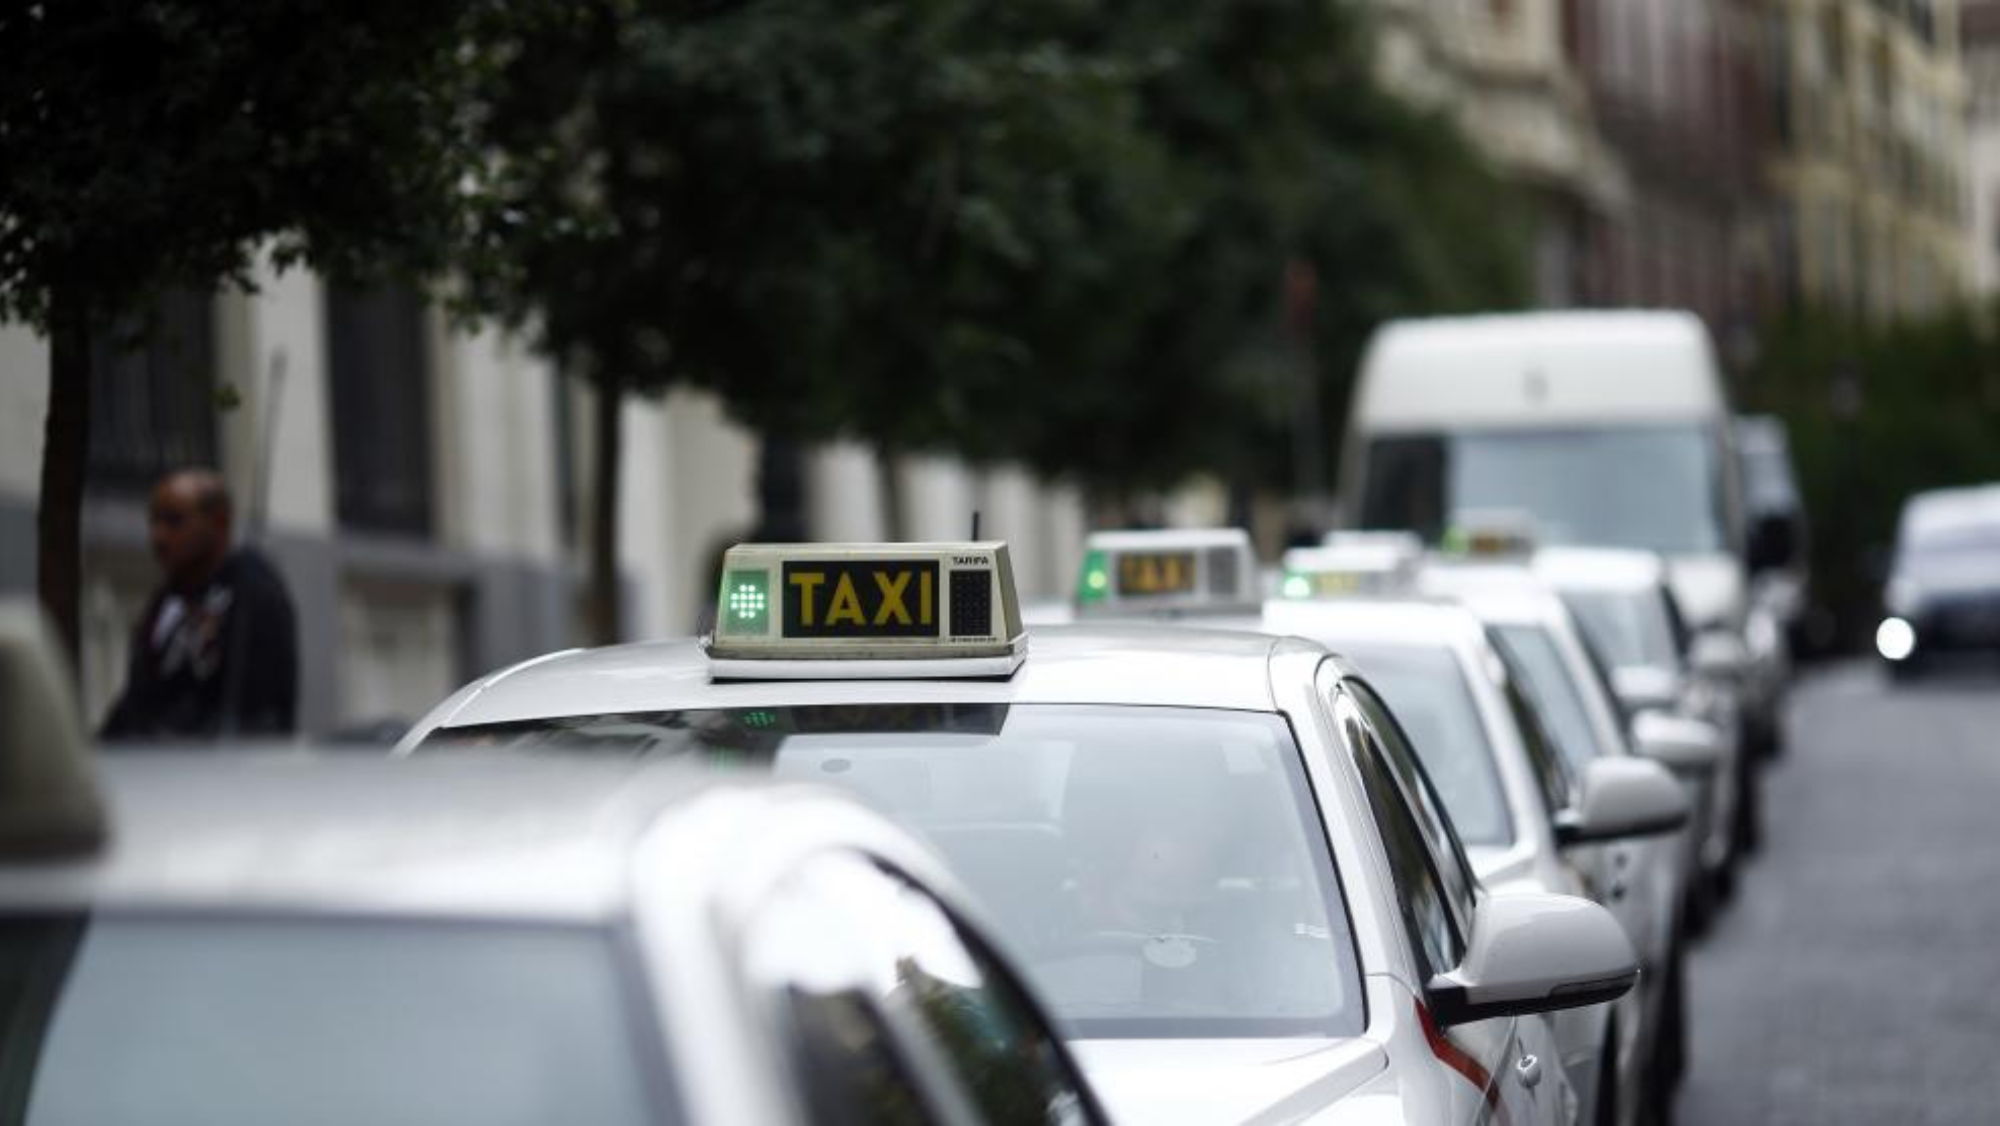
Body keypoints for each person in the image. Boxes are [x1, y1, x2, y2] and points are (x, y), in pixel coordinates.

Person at [100, 470, 298, 741]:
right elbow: (139, 698)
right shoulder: (166, 599)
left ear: (218, 521)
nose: (159, 537)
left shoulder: (253, 594)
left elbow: (256, 715)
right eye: (154, 522)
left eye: (174, 521)